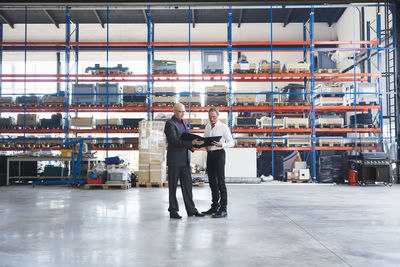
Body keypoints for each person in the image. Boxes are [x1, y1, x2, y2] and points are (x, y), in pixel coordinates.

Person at [164, 103, 205, 219]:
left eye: (184, 111)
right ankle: (173, 210)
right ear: (174, 111)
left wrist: (192, 146)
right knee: (173, 187)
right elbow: (174, 141)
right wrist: (191, 143)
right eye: (181, 111)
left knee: (187, 186)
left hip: (185, 160)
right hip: (174, 161)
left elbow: (184, 139)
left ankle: (191, 210)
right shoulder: (169, 124)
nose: (183, 113)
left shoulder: (184, 123)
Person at [202, 107, 235, 218]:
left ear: (218, 116)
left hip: (219, 154)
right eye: (210, 117)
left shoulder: (223, 127)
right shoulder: (207, 126)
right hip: (210, 154)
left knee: (221, 181)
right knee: (212, 181)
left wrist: (222, 144)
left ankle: (223, 208)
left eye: (214, 117)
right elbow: (205, 139)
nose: (212, 119)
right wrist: (204, 145)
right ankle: (214, 206)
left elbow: (232, 142)